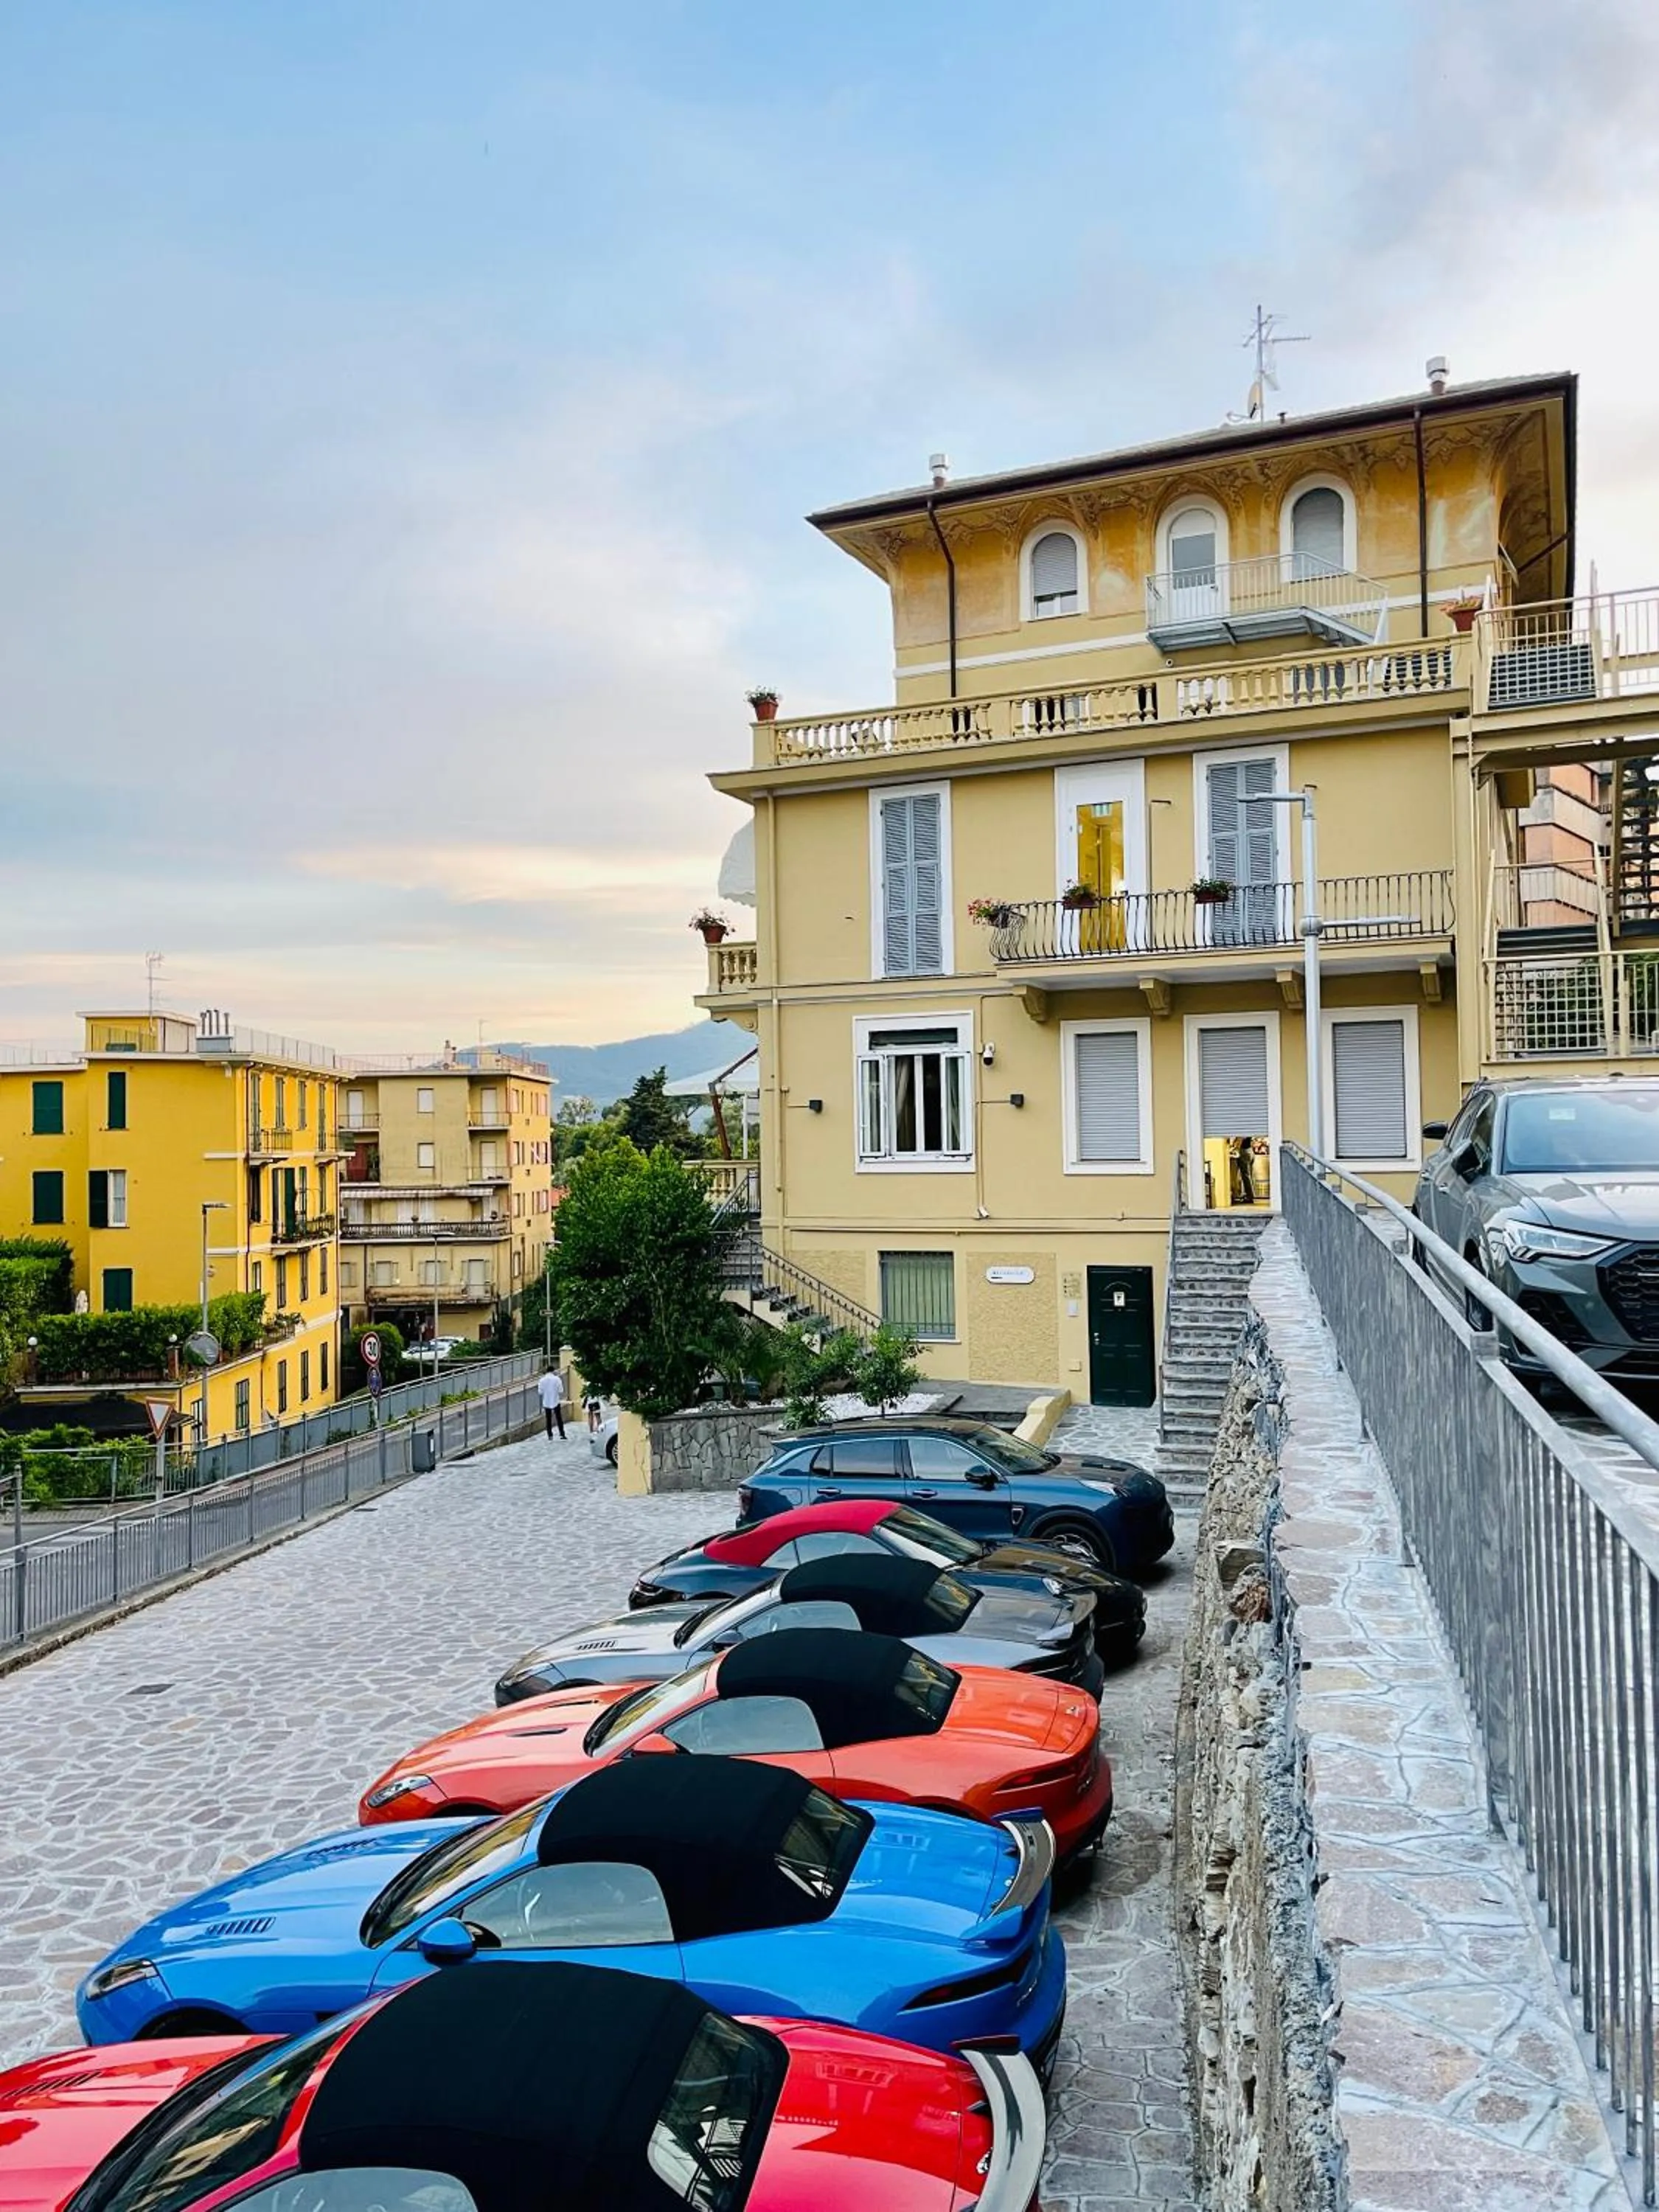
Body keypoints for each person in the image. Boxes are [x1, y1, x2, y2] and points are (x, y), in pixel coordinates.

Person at [538, 1366, 566, 1441]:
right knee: (559, 1418)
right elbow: (561, 1391)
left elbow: (540, 1392)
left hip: (546, 1401)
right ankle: (562, 1434)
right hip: (555, 1400)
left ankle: (550, 1435)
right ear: (553, 1371)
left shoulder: (542, 1380)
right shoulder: (557, 1379)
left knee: (548, 1419)